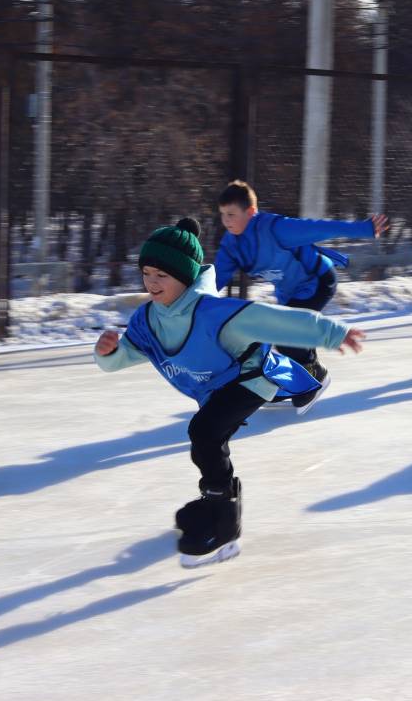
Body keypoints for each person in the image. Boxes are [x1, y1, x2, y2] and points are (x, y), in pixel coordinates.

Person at [95, 217, 365, 568]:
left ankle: (224, 526)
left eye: (162, 275)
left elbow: (276, 320)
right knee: (208, 436)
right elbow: (122, 358)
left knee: (204, 431)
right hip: (217, 385)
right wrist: (106, 353)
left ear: (185, 276)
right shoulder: (148, 320)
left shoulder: (215, 313)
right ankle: (215, 501)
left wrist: (332, 333)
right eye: (147, 273)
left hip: (251, 376)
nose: (152, 283)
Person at [215, 180, 388, 408]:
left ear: (251, 212)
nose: (226, 221)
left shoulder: (275, 228)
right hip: (289, 292)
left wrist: (363, 228)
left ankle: (314, 375)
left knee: (286, 331)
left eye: (232, 214)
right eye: (223, 215)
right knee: (285, 332)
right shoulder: (231, 246)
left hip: (317, 280)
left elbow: (319, 227)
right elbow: (215, 278)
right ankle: (294, 380)